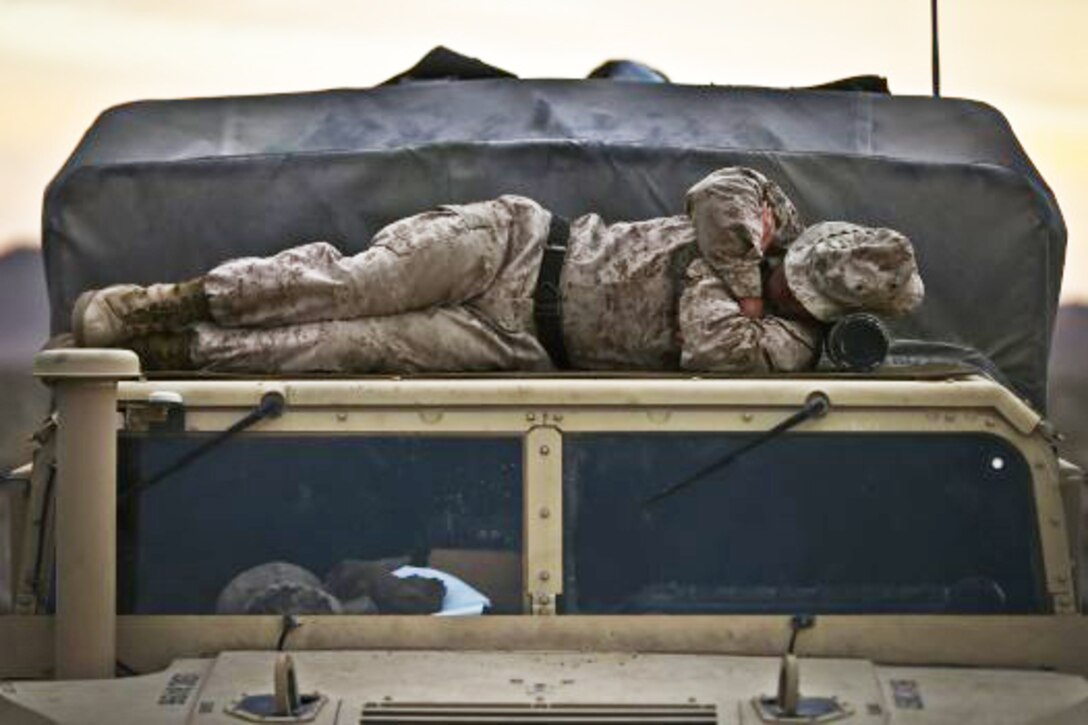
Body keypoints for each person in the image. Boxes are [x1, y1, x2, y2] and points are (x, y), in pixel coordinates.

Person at [70, 167, 924, 374]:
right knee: (349, 282)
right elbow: (718, 194)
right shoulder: (769, 218)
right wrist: (748, 266)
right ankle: (155, 305)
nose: (781, 277)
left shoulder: (786, 348)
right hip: (517, 243)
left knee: (339, 347)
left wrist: (734, 277)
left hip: (516, 341)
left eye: (795, 289)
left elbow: (709, 345)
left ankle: (172, 353)